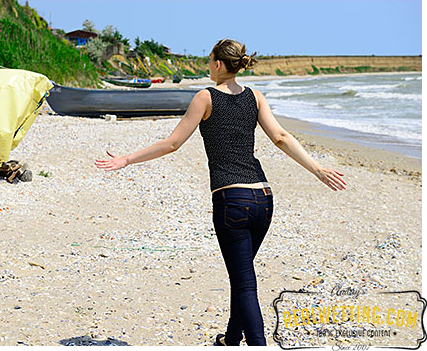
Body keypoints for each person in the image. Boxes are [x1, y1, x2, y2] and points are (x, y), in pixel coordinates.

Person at [95, 38, 347, 346]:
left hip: (232, 201)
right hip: (263, 200)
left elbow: (173, 143)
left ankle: (257, 344)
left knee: (244, 285)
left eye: (209, 60)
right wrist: (317, 169)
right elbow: (280, 137)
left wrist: (126, 159)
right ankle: (230, 339)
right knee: (242, 276)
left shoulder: (205, 97)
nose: (207, 65)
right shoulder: (255, 97)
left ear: (218, 64)